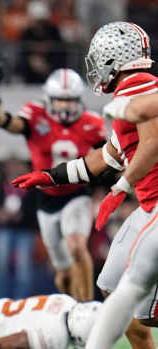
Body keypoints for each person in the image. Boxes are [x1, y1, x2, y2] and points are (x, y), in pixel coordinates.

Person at [11, 22, 158, 349]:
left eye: (100, 56)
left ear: (116, 57)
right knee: (110, 289)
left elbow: (153, 144)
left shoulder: (138, 84)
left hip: (157, 206)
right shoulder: (128, 93)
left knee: (142, 307)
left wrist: (121, 186)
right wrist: (50, 176)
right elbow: (102, 158)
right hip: (148, 207)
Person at [0, 65, 107, 302]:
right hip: (45, 198)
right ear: (50, 99)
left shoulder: (92, 123)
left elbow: (107, 160)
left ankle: (88, 307)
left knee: (77, 246)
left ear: (79, 100)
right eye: (60, 100)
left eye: (70, 100)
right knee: (62, 272)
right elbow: (2, 120)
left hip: (77, 193)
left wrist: (104, 191)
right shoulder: (35, 115)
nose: (65, 106)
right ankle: (74, 309)